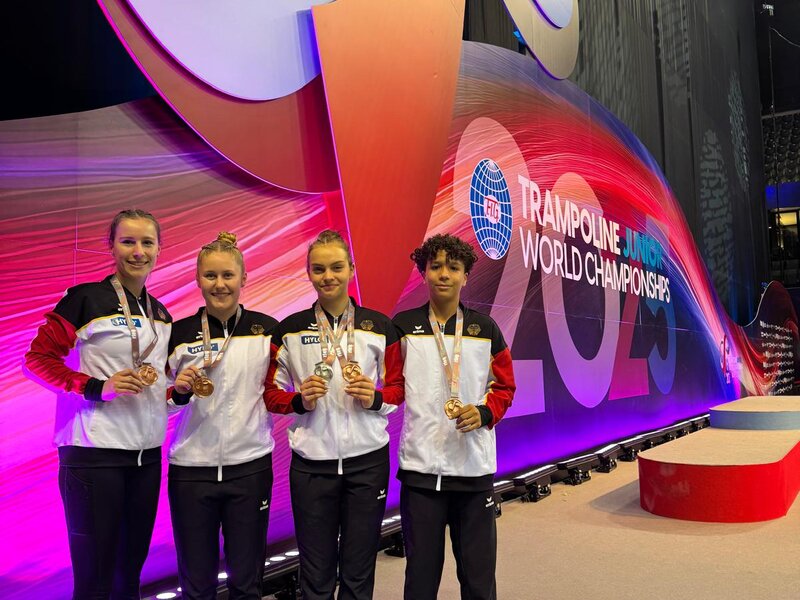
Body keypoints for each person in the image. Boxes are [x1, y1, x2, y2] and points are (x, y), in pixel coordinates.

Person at [23, 209, 171, 600]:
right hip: (93, 455)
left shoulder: (161, 313)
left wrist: (181, 392)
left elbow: (156, 385)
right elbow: (36, 360)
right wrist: (93, 386)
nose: (138, 252)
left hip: (146, 458)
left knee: (129, 577)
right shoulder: (84, 299)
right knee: (95, 581)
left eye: (147, 242)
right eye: (127, 241)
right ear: (111, 246)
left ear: (159, 249)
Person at [264, 230, 404, 600]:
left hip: (367, 462)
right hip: (312, 464)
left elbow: (398, 388)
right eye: (319, 269)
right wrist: (299, 401)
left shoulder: (379, 326)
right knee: (315, 570)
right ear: (309, 273)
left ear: (351, 269)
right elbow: (271, 394)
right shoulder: (290, 329)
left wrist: (375, 398)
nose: (328, 276)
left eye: (337, 267)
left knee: (359, 568)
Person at [392, 233, 516, 600]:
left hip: (473, 471)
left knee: (478, 580)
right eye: (436, 266)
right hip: (421, 472)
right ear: (423, 273)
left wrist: (484, 412)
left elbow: (505, 387)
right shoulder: (402, 326)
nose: (444, 274)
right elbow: (391, 386)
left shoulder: (485, 329)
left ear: (465, 276)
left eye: (454, 267)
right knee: (420, 579)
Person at [167, 232, 278, 600]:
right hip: (191, 471)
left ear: (244, 278)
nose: (219, 284)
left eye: (228, 275)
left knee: (247, 582)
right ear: (197, 279)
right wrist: (178, 393)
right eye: (210, 275)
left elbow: (281, 390)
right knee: (196, 584)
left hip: (250, 467)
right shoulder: (178, 334)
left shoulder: (268, 330)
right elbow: (157, 402)